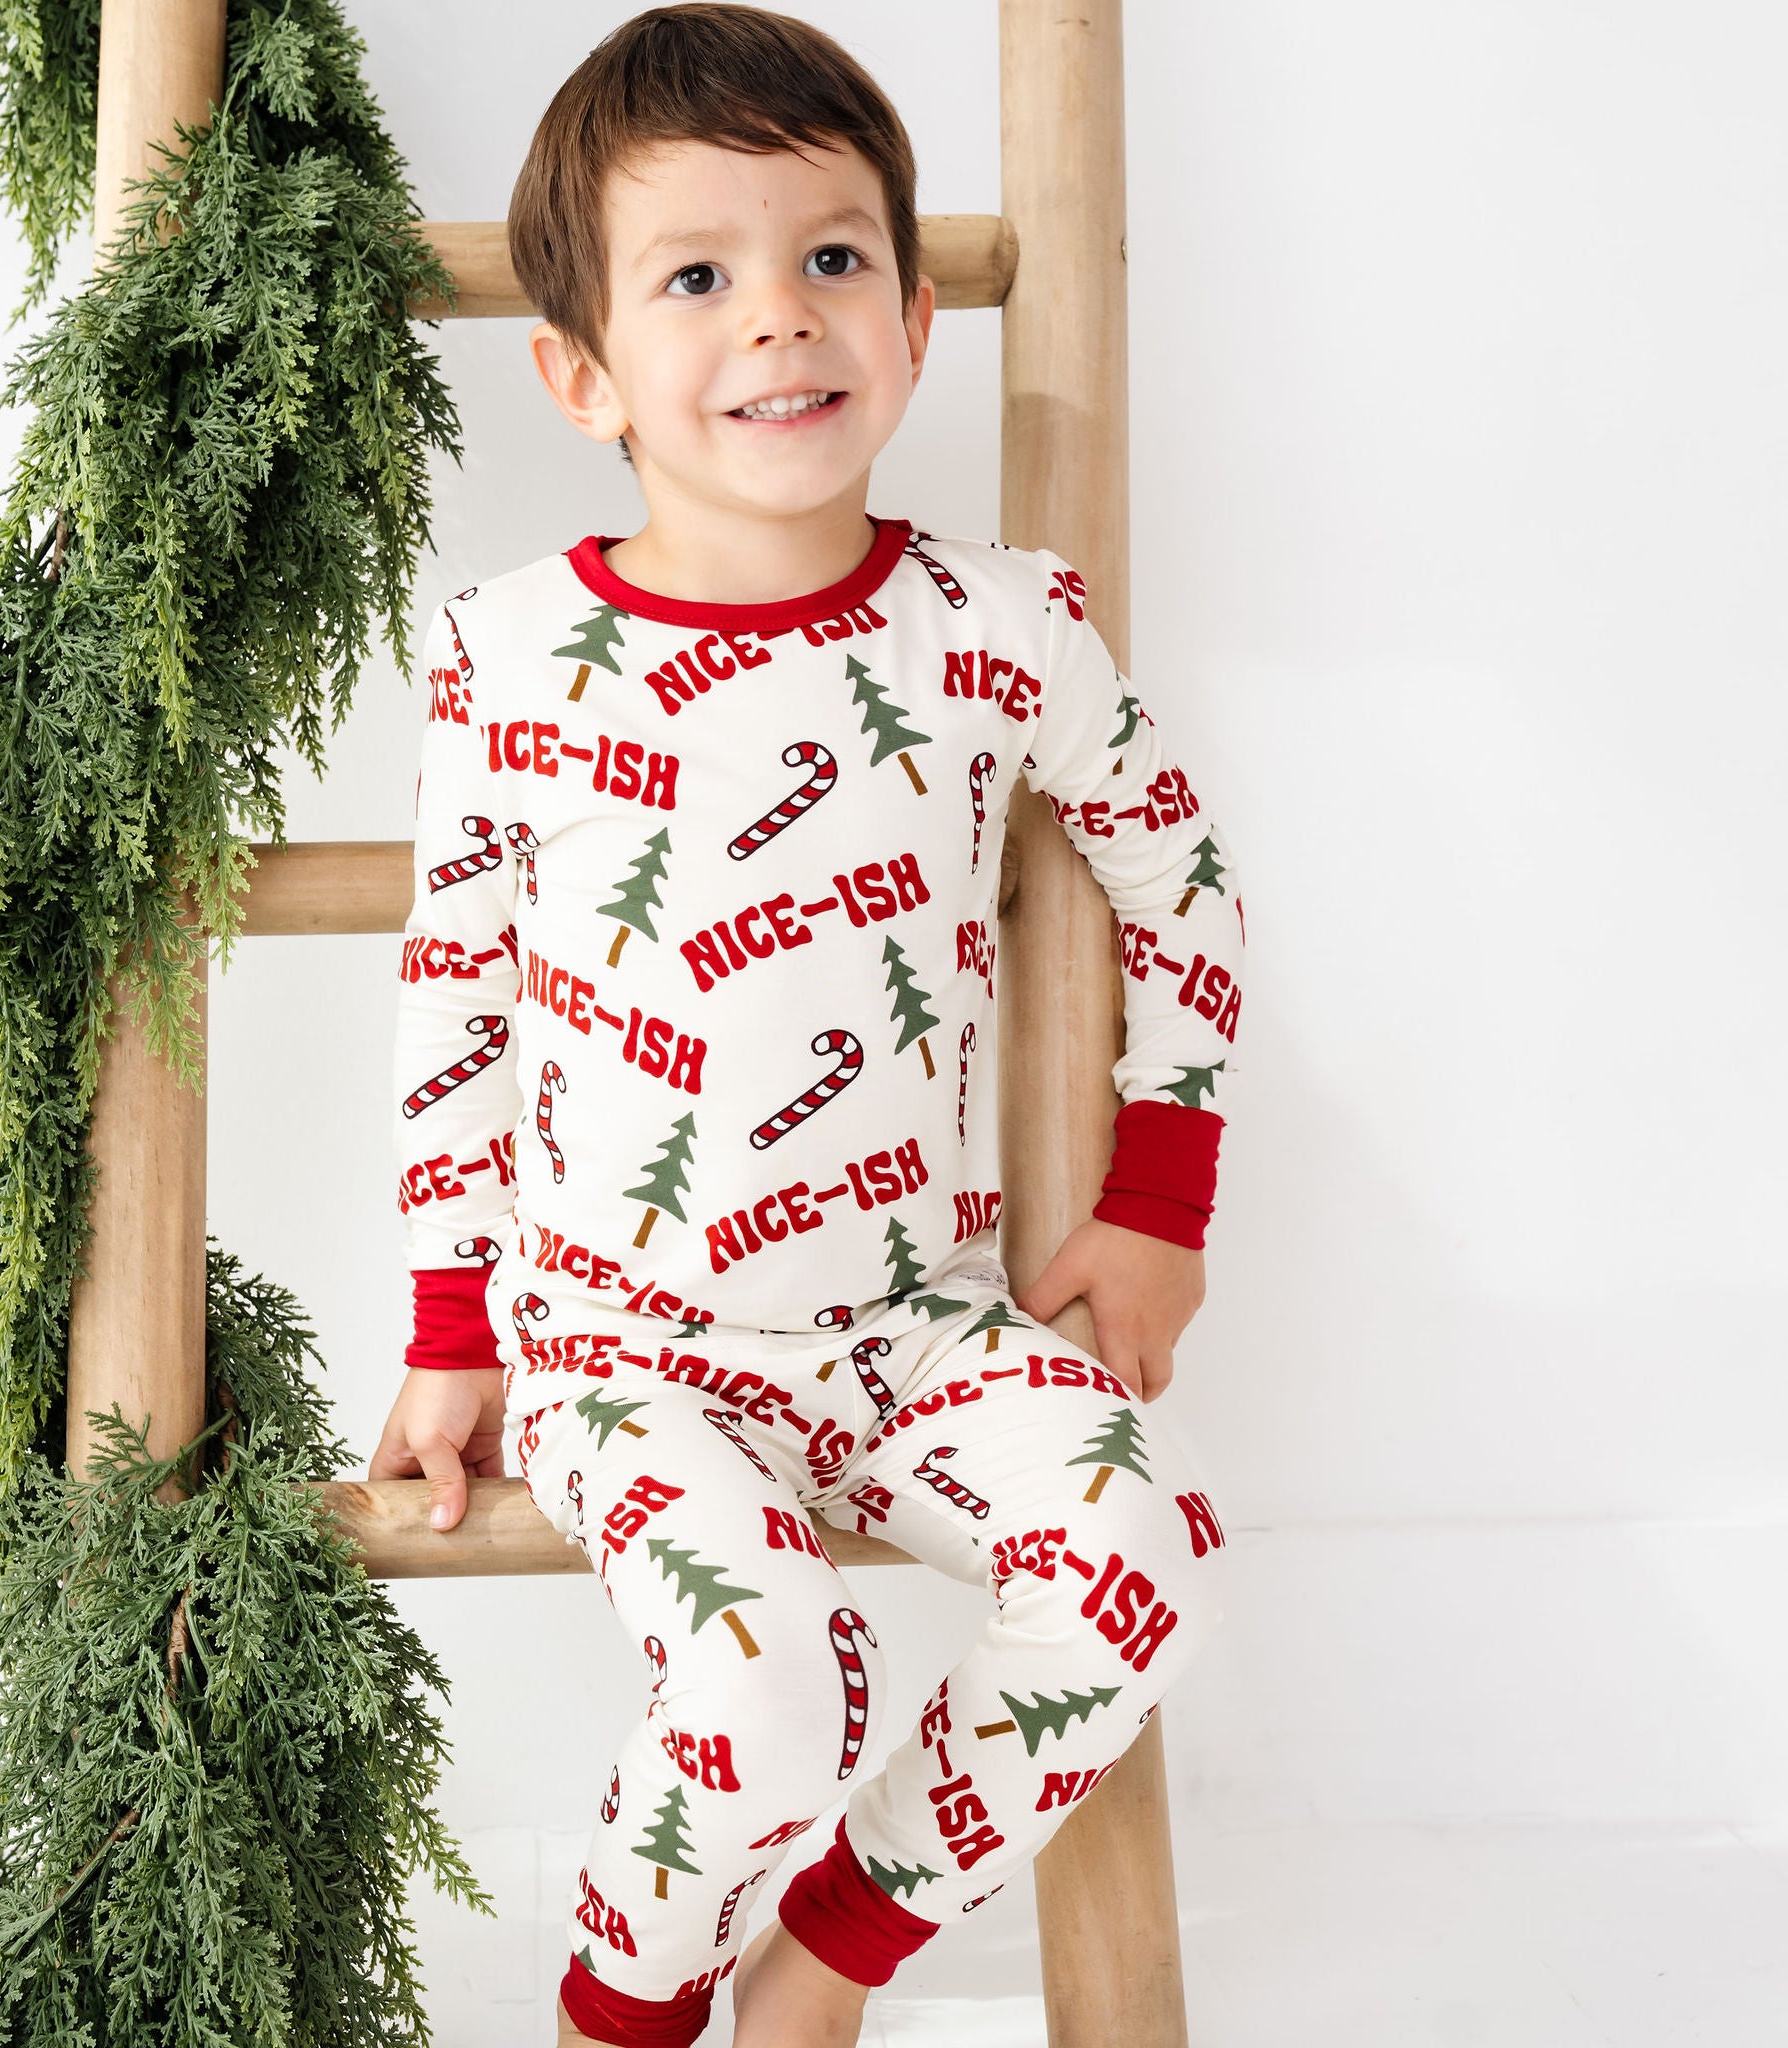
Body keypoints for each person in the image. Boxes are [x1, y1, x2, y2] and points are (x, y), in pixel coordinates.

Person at [371, 8, 1242, 2044]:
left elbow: (1180, 881)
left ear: (916, 322)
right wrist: (448, 1322)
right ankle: (625, 2009)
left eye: (832, 256)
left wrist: (1158, 1201)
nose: (779, 313)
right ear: (583, 374)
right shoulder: (515, 656)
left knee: (1153, 1547)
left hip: (919, 1324)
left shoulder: (1002, 626)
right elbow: (455, 992)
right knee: (771, 1689)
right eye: (697, 275)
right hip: (628, 1353)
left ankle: (829, 1957)